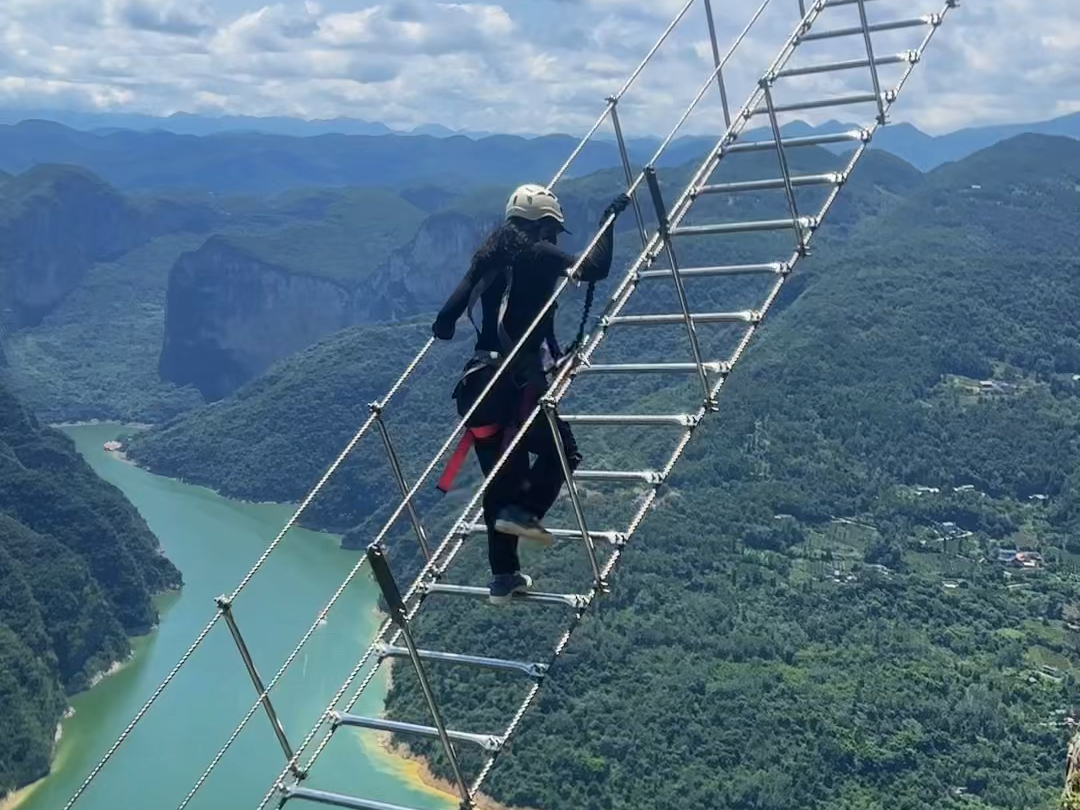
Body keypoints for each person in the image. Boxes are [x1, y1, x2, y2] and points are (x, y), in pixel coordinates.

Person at [431, 183, 630, 604]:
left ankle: (504, 577)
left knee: (500, 481)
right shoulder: (537, 253)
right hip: (513, 388)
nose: (554, 240)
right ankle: (527, 517)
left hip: (475, 389)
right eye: (554, 232)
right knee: (563, 452)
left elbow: (443, 323)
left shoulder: (485, 259)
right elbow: (593, 269)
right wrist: (607, 224)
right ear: (543, 226)